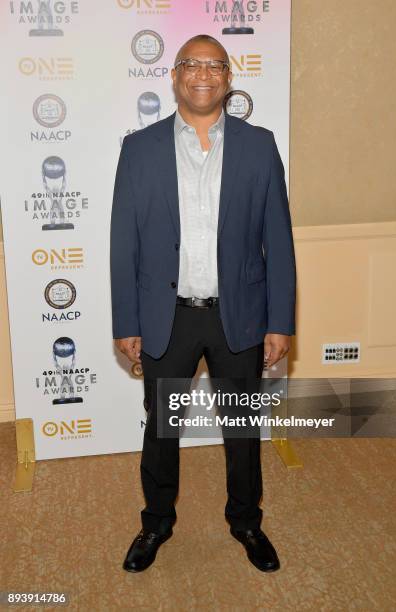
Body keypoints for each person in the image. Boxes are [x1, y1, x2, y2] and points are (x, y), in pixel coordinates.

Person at [110, 34, 296, 573]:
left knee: (242, 430)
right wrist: (127, 320)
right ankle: (156, 523)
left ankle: (246, 521)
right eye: (192, 64)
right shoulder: (139, 148)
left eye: (215, 65)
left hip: (240, 315)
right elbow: (125, 241)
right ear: (174, 75)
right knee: (162, 428)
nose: (204, 74)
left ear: (228, 77)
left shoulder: (259, 145)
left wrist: (280, 321)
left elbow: (277, 240)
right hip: (165, 316)